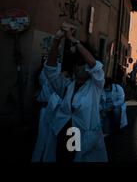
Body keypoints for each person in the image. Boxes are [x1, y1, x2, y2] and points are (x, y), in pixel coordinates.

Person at [43, 25, 107, 162]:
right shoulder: (67, 86)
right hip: (61, 131)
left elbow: (94, 65)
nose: (81, 67)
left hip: (81, 136)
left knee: (74, 158)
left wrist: (73, 40)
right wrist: (56, 40)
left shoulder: (96, 85)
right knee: (63, 158)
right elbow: (50, 69)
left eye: (83, 63)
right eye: (78, 63)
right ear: (73, 66)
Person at [31, 67, 62, 162]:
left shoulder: (59, 72)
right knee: (42, 137)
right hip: (46, 108)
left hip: (56, 109)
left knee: (52, 138)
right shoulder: (44, 73)